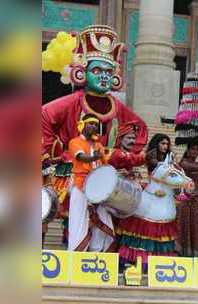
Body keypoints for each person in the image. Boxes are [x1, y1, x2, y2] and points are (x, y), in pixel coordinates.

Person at [41, 25, 148, 231]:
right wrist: (47, 154)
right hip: (74, 171)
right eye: (97, 70)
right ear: (83, 72)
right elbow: (42, 115)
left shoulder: (118, 107)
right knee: (73, 221)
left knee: (104, 225)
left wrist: (126, 154)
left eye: (109, 72)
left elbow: (140, 128)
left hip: (105, 172)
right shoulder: (71, 102)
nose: (104, 76)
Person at [67, 114, 112, 251]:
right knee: (78, 221)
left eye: (95, 124)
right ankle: (76, 254)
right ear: (82, 125)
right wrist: (94, 157)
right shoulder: (75, 142)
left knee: (102, 219)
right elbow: (81, 157)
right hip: (81, 186)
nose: (94, 126)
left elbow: (105, 165)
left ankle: (97, 252)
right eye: (90, 123)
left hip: (98, 189)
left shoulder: (98, 145)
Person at [176, 143, 198, 257]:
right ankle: (181, 251)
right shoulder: (183, 163)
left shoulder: (197, 164)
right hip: (184, 199)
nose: (195, 152)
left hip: (195, 200)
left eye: (197, 150)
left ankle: (194, 251)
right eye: (193, 149)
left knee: (195, 225)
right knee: (183, 224)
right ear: (187, 150)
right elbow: (180, 179)